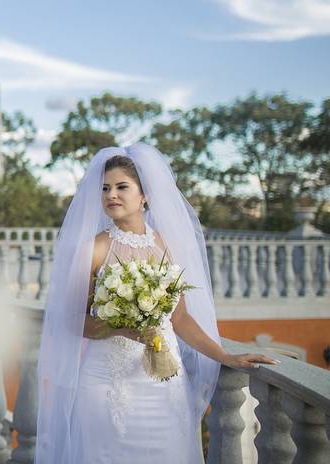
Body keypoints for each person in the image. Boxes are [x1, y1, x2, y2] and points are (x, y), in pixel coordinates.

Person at [35, 143, 278, 463]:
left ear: (145, 195)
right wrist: (118, 328)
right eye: (105, 188)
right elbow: (72, 320)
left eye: (122, 187)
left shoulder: (166, 245)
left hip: (163, 384)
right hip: (107, 383)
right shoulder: (94, 249)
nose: (111, 195)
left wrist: (225, 356)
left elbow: (180, 319)